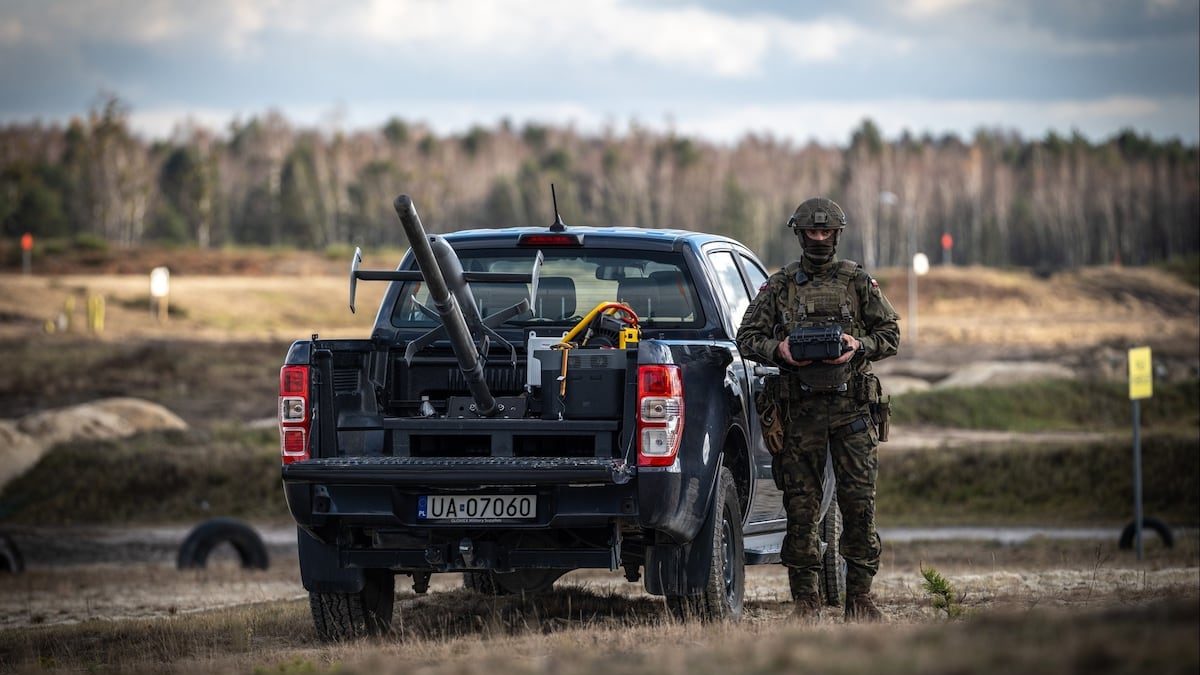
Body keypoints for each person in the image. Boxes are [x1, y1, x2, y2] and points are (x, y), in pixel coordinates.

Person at [736, 197, 900, 621]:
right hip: (801, 413)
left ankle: (860, 599)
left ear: (837, 234)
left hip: (851, 411)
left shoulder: (857, 282)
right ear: (800, 234)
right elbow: (747, 336)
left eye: (826, 232)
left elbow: (891, 333)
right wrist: (782, 350)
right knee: (802, 510)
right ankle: (806, 602)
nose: (819, 238)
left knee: (859, 506)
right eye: (812, 231)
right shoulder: (781, 285)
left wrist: (857, 346)